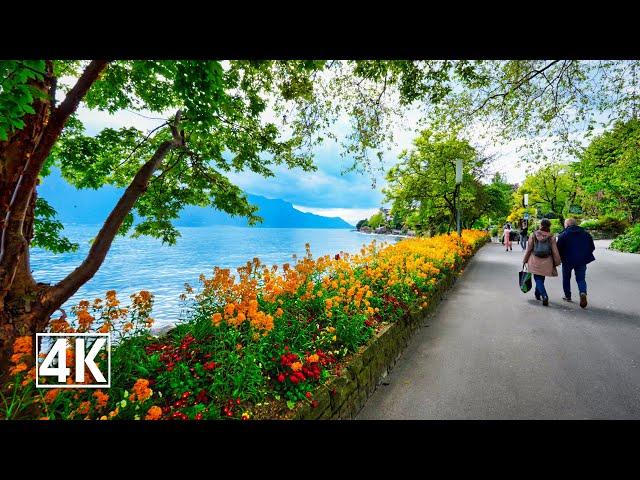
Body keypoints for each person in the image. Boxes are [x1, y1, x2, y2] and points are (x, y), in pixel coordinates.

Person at [556, 218, 595, 308]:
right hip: (581, 260)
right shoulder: (586, 234)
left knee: (566, 278)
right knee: (581, 279)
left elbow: (558, 249)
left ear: (567, 225)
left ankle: (567, 296)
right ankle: (582, 292)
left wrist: (559, 258)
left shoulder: (563, 235)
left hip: (567, 261)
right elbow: (592, 247)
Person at [522, 218, 561, 306]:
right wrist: (557, 261)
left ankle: (544, 295)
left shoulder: (534, 234)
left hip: (534, 260)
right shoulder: (551, 236)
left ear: (541, 225)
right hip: (547, 261)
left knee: (537, 278)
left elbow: (529, 249)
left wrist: (525, 260)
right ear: (549, 226)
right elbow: (555, 251)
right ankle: (537, 294)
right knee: (541, 278)